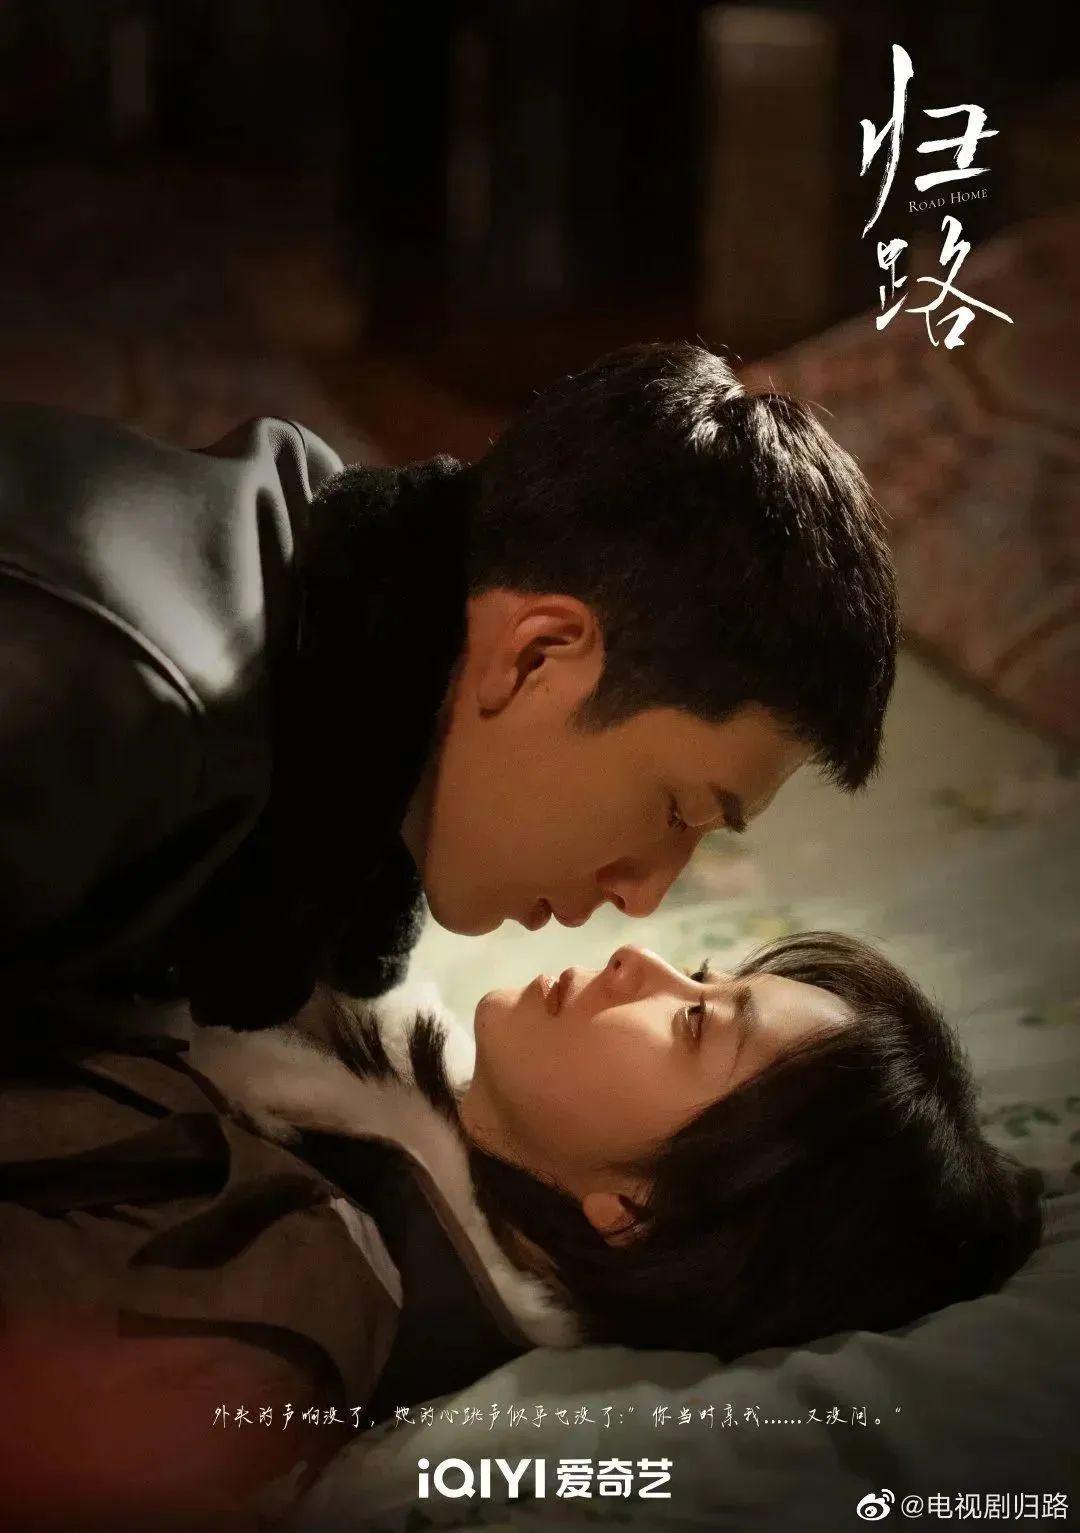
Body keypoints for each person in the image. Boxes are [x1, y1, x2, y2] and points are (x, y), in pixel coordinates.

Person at [0, 341, 899, 1043]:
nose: (645, 898)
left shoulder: (330, 655)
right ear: (535, 656)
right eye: (678, 810)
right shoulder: (108, 705)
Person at [0, 934, 1043, 1527]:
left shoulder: (295, 1291)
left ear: (639, 1211)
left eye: (695, 1021)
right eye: (703, 972)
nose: (638, 958)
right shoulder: (363, 1077)